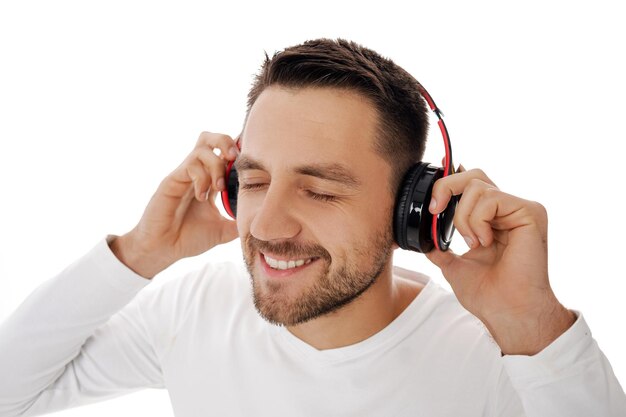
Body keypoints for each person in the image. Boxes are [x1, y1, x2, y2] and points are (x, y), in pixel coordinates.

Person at [0, 38, 624, 417]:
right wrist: (137, 254)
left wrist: (534, 328)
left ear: (416, 210)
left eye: (321, 189)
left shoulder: (489, 356)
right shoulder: (193, 309)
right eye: (255, 179)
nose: (267, 224)